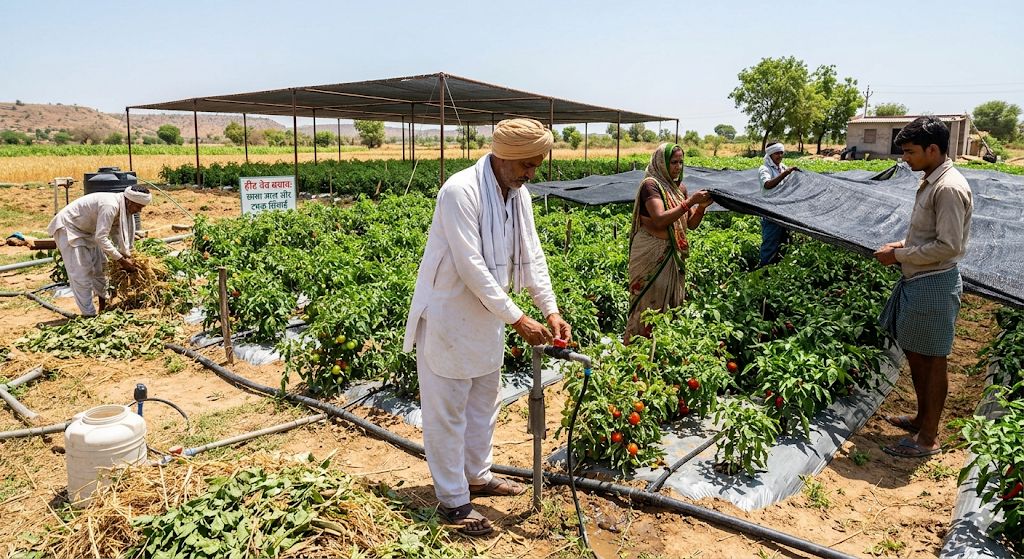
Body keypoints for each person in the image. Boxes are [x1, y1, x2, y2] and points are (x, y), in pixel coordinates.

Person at [403, 118, 572, 536]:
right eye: (527, 164)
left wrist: (549, 310)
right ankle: (453, 500)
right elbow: (471, 266)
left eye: (536, 165)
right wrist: (518, 318)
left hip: (487, 318)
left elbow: (532, 256)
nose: (531, 173)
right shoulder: (459, 191)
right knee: (448, 413)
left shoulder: (518, 195)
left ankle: (477, 476)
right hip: (450, 316)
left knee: (483, 404)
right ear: (504, 156)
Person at [874, 116, 973, 458]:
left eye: (910, 152)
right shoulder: (932, 181)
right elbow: (929, 236)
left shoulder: (948, 188)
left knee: (932, 360)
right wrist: (901, 245)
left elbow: (949, 246)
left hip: (934, 283)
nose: (905, 158)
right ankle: (920, 419)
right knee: (918, 354)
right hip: (919, 280)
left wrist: (899, 255)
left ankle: (928, 437)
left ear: (932, 149)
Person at [624, 143, 713, 341]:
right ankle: (636, 350)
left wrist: (701, 207)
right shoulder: (651, 185)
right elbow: (659, 219)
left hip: (671, 254)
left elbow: (691, 224)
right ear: (661, 162)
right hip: (650, 252)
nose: (678, 167)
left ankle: (663, 348)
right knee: (647, 305)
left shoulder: (679, 188)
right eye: (673, 162)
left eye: (681, 162)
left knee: (671, 306)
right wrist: (690, 202)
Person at [47, 185, 151, 316]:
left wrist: (126, 254)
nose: (139, 211)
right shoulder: (110, 206)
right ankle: (89, 315)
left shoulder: (122, 208)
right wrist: (121, 260)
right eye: (138, 206)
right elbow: (101, 237)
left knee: (101, 268)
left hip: (89, 231)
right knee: (81, 274)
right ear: (130, 201)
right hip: (70, 228)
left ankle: (103, 308)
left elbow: (116, 232)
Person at [757, 142, 801, 267]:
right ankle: (764, 268)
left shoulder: (782, 167)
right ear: (770, 154)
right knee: (770, 241)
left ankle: (779, 268)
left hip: (783, 209)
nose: (780, 156)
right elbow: (767, 184)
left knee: (784, 241)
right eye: (777, 153)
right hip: (770, 210)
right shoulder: (765, 169)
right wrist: (786, 173)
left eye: (781, 153)